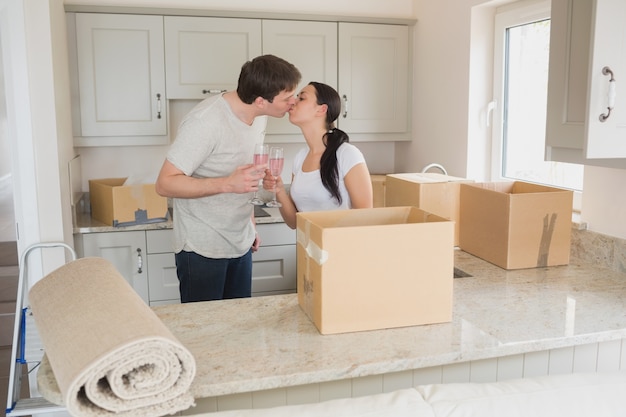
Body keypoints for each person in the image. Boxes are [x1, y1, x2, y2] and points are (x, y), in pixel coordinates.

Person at [155, 55, 301, 303]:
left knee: (238, 329)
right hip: (203, 247)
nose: (293, 102)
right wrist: (226, 183)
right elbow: (165, 183)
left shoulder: (259, 116)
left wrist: (250, 224)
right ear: (260, 101)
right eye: (287, 98)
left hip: (241, 242)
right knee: (206, 334)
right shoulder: (206, 121)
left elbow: (245, 173)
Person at [263, 81, 373, 229]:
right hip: (309, 249)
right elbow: (294, 222)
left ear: (321, 110)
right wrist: (279, 190)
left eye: (301, 98)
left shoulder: (347, 154)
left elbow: (365, 218)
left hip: (340, 248)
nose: (293, 101)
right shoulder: (300, 158)